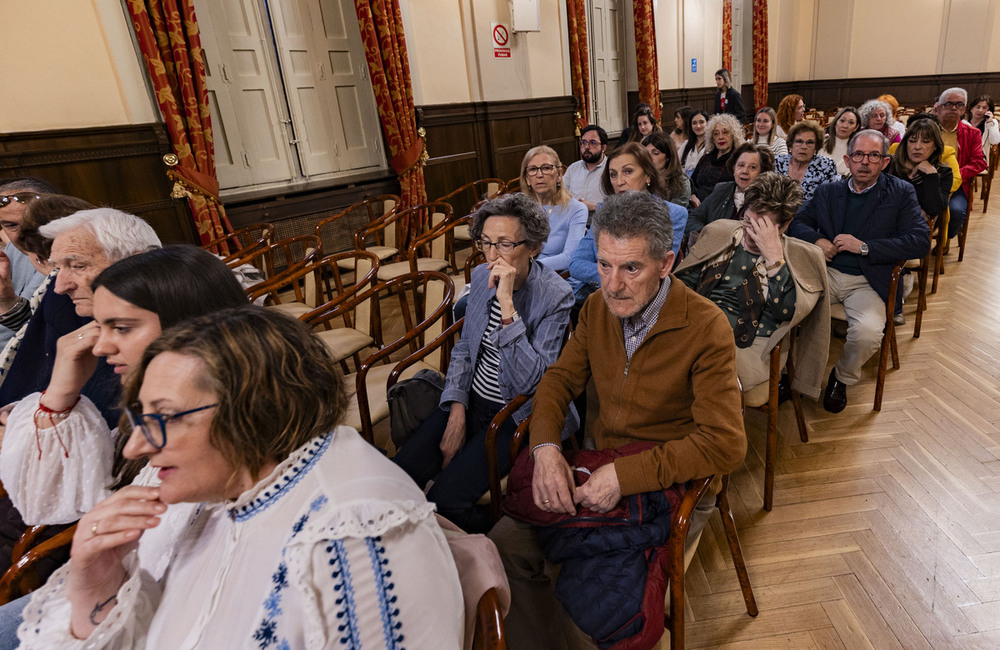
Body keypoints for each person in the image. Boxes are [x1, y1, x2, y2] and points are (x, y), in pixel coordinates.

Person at [17, 306, 464, 648]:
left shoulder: (349, 533)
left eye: (164, 417)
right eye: (140, 418)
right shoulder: (219, 492)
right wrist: (96, 583)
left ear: (256, 411)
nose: (136, 448)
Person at [489, 190, 746, 648]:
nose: (612, 284)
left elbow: (725, 443)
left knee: (602, 607)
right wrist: (546, 448)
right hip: (598, 467)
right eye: (604, 265)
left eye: (631, 268)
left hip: (668, 486)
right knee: (504, 544)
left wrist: (625, 476)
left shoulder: (706, 327)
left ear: (666, 263)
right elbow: (557, 383)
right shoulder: (595, 310)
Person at [393, 194, 574, 534]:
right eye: (486, 243)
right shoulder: (479, 277)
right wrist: (457, 409)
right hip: (471, 400)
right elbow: (464, 349)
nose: (492, 256)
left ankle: (508, 526)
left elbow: (531, 384)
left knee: (447, 502)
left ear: (533, 247)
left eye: (505, 244)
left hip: (515, 414)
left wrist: (507, 309)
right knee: (398, 473)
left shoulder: (556, 295)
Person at [788, 130, 930, 413]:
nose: (865, 162)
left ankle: (840, 378)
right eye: (859, 155)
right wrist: (818, 240)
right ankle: (785, 376)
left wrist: (865, 247)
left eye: (873, 155)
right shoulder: (830, 191)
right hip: (823, 274)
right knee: (782, 311)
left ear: (885, 162)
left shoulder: (901, 193)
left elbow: (920, 241)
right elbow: (798, 222)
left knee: (867, 333)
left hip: (869, 279)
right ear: (847, 159)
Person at [0, 208, 162, 423]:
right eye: (57, 268)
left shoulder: (169, 334)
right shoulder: (67, 306)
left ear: (136, 262)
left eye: (78, 266)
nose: (60, 286)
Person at [676, 172, 830, 397]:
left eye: (762, 229)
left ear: (785, 225)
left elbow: (786, 312)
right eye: (748, 221)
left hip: (751, 344)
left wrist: (774, 258)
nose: (750, 234)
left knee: (694, 378)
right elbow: (685, 281)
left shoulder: (804, 257)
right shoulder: (720, 231)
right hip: (698, 327)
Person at [568, 144, 688, 307]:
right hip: (594, 295)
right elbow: (576, 264)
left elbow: (656, 270)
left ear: (647, 175)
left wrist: (607, 272)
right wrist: (616, 278)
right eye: (613, 175)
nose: (619, 182)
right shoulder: (604, 209)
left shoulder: (673, 213)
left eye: (628, 171)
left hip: (641, 300)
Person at [0, 194, 95, 381]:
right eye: (11, 225)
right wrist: (6, 300)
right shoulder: (24, 253)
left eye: (77, 266)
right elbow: (41, 331)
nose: (22, 236)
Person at [885, 118, 953, 325]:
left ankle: (892, 309)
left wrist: (931, 175)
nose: (917, 147)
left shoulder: (942, 171)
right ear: (905, 142)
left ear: (935, 147)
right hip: (886, 225)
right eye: (912, 140)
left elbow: (934, 209)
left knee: (885, 253)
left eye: (925, 142)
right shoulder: (891, 165)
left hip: (915, 234)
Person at [0, 178, 57, 351]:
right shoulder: (16, 249)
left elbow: (44, 334)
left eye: (32, 223)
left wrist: (7, 302)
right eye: (11, 226)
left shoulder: (65, 259)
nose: (23, 235)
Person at [518, 145, 587, 273]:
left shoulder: (577, 209)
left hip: (557, 278)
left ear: (559, 174)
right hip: (521, 275)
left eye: (546, 168)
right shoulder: (521, 209)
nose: (539, 175)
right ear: (527, 178)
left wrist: (524, 267)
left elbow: (569, 258)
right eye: (533, 169)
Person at [685, 142, 775, 236]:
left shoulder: (767, 199)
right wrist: (709, 236)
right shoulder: (721, 189)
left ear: (762, 172)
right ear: (734, 168)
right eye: (741, 165)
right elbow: (693, 219)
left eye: (752, 167)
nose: (745, 171)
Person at [934, 87, 987, 240]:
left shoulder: (973, 133)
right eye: (949, 104)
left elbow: (979, 162)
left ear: (964, 109)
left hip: (957, 185)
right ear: (939, 107)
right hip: (927, 182)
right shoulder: (930, 129)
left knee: (956, 211)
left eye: (959, 104)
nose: (954, 108)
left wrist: (955, 176)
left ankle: (945, 238)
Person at [774, 120, 840, 202]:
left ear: (816, 147)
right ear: (791, 144)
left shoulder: (826, 165)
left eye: (810, 142)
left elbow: (829, 200)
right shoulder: (777, 162)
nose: (804, 146)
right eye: (799, 141)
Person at [690, 113, 745, 205]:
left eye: (725, 132)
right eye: (716, 134)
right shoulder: (705, 158)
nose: (720, 137)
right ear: (712, 138)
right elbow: (691, 182)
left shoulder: (738, 162)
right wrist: (692, 196)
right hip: (695, 205)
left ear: (734, 135)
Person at [562, 124, 610, 214]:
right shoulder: (573, 168)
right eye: (583, 142)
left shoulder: (611, 170)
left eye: (592, 143)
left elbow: (619, 205)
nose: (587, 147)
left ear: (603, 148)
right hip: (574, 221)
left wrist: (592, 206)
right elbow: (561, 194)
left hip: (602, 224)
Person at [642, 130, 692, 207]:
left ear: (668, 156)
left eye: (655, 153)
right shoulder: (640, 177)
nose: (649, 158)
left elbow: (674, 215)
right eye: (646, 154)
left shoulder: (681, 183)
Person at [820, 107, 861, 177]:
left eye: (851, 123)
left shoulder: (858, 149)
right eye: (842, 121)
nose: (845, 126)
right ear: (836, 122)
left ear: (856, 127)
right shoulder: (821, 143)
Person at [966, 95, 1000, 164]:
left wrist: (990, 123)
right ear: (971, 109)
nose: (980, 110)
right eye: (978, 107)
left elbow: (995, 141)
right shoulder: (964, 122)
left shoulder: (991, 123)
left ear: (989, 111)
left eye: (984, 108)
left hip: (978, 157)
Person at [681, 109, 710, 175]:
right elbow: (676, 162)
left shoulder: (712, 145)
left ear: (707, 123)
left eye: (701, 122)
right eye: (694, 123)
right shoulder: (686, 144)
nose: (698, 126)